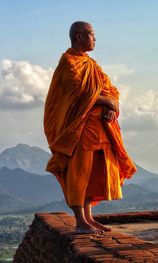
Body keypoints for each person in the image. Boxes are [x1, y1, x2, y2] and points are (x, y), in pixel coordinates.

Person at [43, 21, 136, 234]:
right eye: (92, 35)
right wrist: (107, 102)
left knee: (94, 174)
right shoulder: (68, 62)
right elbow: (78, 95)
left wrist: (112, 106)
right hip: (80, 129)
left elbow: (109, 89)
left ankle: (89, 218)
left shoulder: (91, 64)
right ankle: (80, 221)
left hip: (100, 128)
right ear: (78, 36)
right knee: (79, 173)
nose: (95, 39)